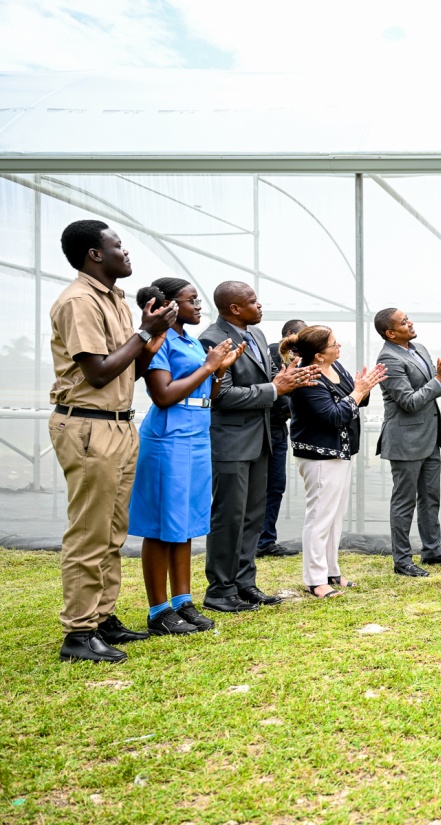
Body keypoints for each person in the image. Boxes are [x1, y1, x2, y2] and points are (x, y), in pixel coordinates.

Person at [48, 219, 176, 663]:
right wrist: (142, 334)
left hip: (119, 424)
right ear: (95, 255)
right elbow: (98, 372)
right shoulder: (79, 300)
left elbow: (127, 371)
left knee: (113, 530)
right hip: (88, 426)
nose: (126, 252)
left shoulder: (118, 300)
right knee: (89, 532)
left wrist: (149, 340)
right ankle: (78, 634)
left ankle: (101, 618)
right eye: (117, 246)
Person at [127, 279, 244, 634]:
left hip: (196, 435)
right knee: (162, 526)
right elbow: (162, 395)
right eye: (191, 300)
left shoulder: (190, 341)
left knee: (187, 522)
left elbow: (206, 389)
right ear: (167, 305)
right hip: (169, 437)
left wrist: (220, 370)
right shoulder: (159, 342)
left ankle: (183, 601)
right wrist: (209, 367)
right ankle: (158, 610)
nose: (198, 306)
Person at [199, 282, 319, 613]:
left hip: (261, 438)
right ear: (234, 308)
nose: (259, 305)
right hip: (232, 442)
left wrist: (288, 380)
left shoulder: (257, 336)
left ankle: (244, 582)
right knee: (229, 516)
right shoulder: (213, 339)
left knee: (252, 515)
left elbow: (268, 385)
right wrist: (273, 388)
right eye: (252, 301)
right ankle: (220, 589)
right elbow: (219, 396)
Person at [282, 326, 386, 597]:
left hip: (341, 452)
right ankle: (315, 579)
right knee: (319, 517)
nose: (339, 347)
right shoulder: (308, 379)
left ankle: (331, 571)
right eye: (333, 344)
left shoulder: (335, 367)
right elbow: (334, 416)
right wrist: (358, 391)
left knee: (334, 517)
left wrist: (363, 388)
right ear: (318, 355)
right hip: (319, 456)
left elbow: (355, 401)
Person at [374, 308, 441, 577]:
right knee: (404, 502)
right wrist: (440, 379)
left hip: (429, 437)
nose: (410, 323)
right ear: (390, 333)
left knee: (430, 497)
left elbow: (434, 390)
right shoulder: (388, 358)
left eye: (409, 319)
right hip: (405, 439)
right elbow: (409, 402)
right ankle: (403, 560)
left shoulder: (419, 349)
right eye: (403, 322)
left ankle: (432, 551)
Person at [257, 318, 307, 559]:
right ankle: (253, 540)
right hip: (260, 428)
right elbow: (273, 388)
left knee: (276, 486)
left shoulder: (299, 359)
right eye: (298, 337)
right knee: (256, 486)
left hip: (277, 429)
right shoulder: (272, 354)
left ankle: (266, 540)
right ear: (288, 334)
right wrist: (291, 407)